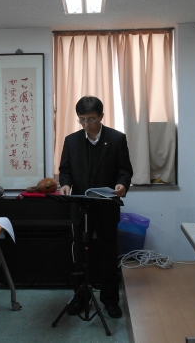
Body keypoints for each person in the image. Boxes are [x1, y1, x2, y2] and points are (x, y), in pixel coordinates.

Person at [58, 96, 133, 319]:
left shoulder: (116, 139)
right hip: (81, 207)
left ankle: (110, 299)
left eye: (91, 119)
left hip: (106, 206)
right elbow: (65, 170)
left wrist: (122, 184)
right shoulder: (71, 141)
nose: (86, 124)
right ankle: (81, 297)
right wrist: (65, 184)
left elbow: (125, 170)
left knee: (108, 253)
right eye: (81, 119)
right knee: (80, 254)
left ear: (101, 116)